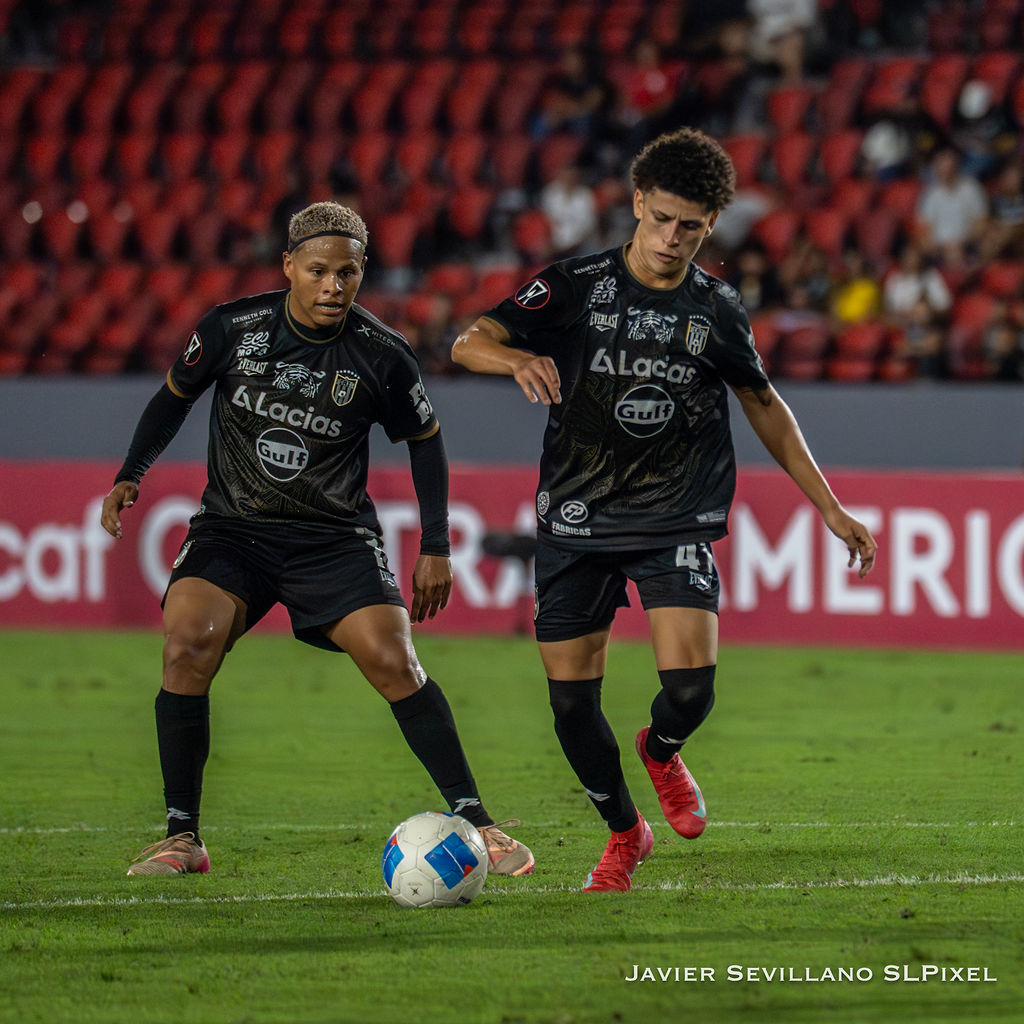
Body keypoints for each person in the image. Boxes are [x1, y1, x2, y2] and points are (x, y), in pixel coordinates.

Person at [451, 128, 876, 893]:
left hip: (672, 517)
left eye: (691, 226)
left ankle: (662, 749)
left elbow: (764, 404)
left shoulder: (715, 307)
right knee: (572, 705)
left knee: (690, 691)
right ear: (638, 202)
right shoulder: (576, 286)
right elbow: (469, 342)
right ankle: (625, 834)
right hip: (576, 520)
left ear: (711, 224)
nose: (673, 238)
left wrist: (831, 507)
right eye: (662, 219)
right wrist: (516, 357)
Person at [100, 201, 534, 878]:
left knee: (395, 661)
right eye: (319, 271)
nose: (334, 285)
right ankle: (182, 838)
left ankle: (479, 822)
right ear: (288, 267)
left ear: (362, 273)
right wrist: (132, 473)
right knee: (186, 643)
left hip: (334, 538)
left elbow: (425, 442)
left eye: (348, 273)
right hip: (234, 530)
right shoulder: (231, 329)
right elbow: (173, 397)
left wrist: (437, 546)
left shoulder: (382, 355)